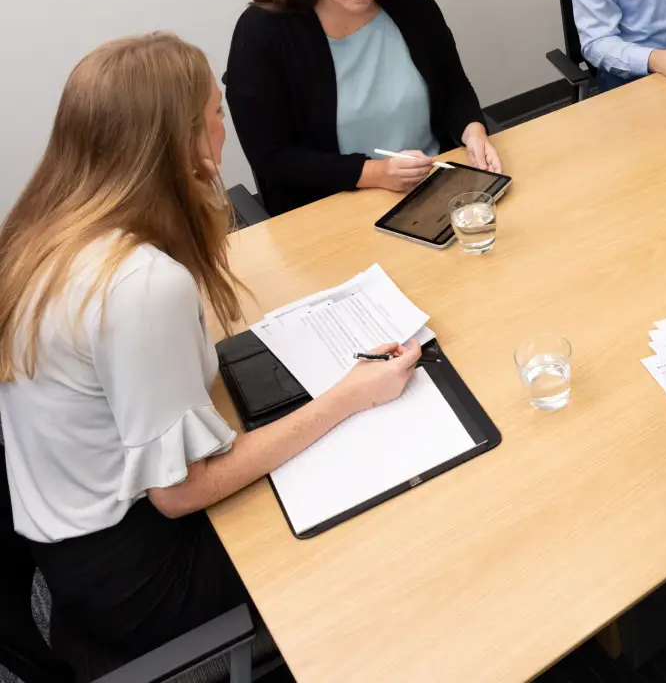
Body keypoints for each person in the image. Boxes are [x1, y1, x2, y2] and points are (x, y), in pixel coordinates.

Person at [0, 34, 421, 669]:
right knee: (389, 516)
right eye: (215, 111)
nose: (225, 123)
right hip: (140, 571)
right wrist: (348, 396)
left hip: (67, 532)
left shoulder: (44, 229)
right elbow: (179, 492)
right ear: (181, 139)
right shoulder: (136, 283)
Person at [225, 0, 500, 216]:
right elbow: (272, 156)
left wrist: (473, 131)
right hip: (332, 206)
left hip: (433, 181)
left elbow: (453, 85)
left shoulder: (408, 1)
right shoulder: (263, 31)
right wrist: (376, 173)